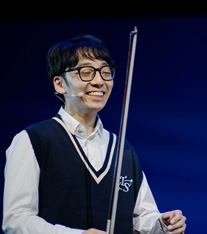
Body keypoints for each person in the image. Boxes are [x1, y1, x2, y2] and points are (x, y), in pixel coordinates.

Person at [3, 35, 186, 234]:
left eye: (106, 72)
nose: (99, 81)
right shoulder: (32, 140)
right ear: (59, 84)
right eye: (87, 72)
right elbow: (16, 220)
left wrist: (162, 223)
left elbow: (141, 217)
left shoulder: (123, 149)